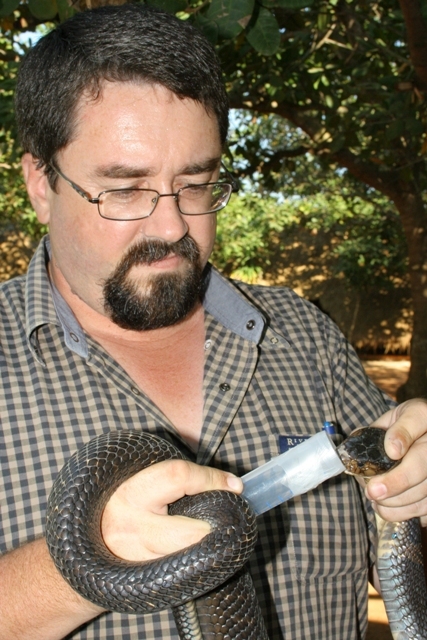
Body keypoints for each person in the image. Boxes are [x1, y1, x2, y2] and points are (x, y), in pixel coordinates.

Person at [1, 4, 426, 639]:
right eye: (124, 189)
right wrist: (84, 564)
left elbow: (398, 542)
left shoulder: (305, 339)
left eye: (195, 185)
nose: (173, 227)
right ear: (41, 183)